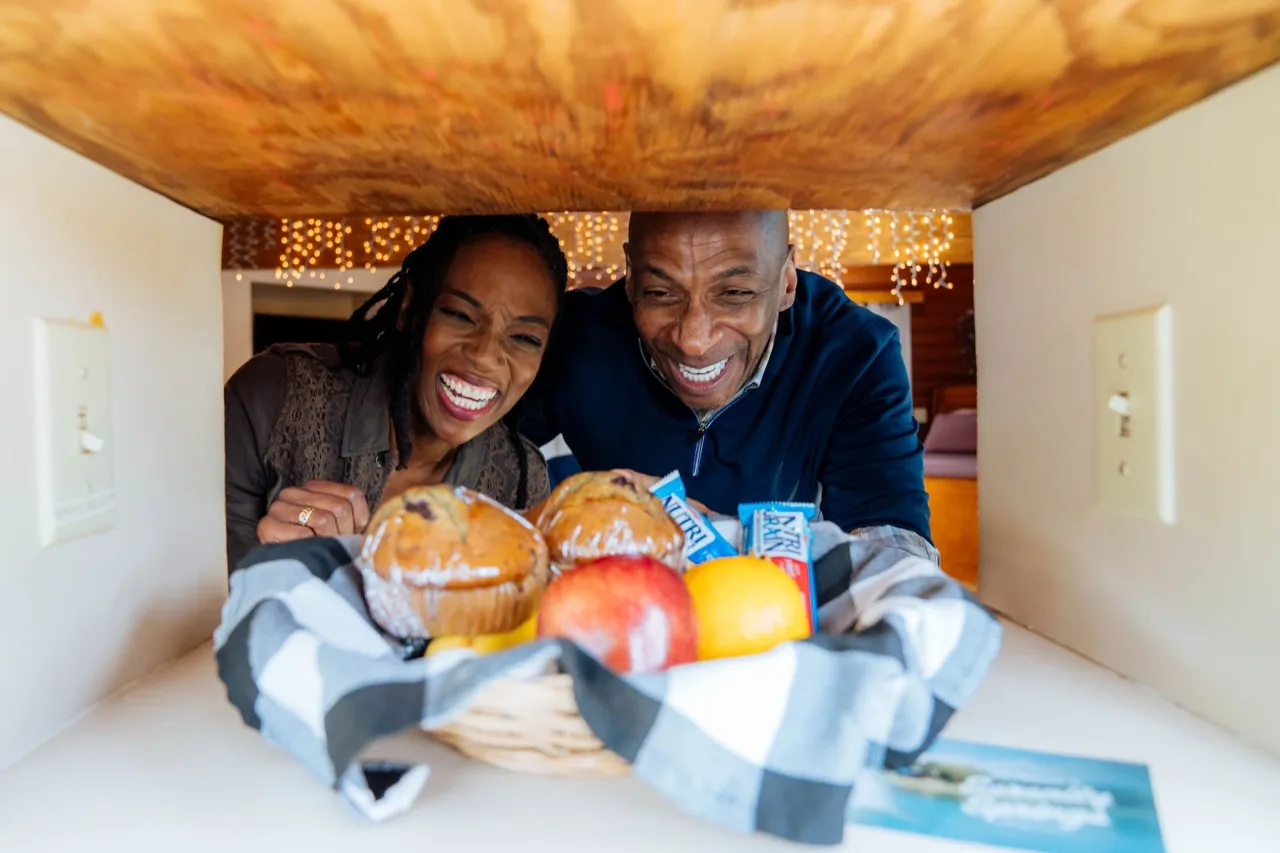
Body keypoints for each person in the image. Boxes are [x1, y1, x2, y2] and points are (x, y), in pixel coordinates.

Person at [521, 210, 932, 545]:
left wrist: (706, 533)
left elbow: (894, 552)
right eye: (660, 293)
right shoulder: (574, 337)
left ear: (787, 283)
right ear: (630, 277)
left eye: (735, 293)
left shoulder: (856, 353)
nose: (694, 341)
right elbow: (488, 449)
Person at [223, 214, 568, 572]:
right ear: (409, 307)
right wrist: (273, 565)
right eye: (460, 315)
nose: (484, 356)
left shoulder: (520, 481)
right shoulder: (275, 398)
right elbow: (203, 588)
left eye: (525, 338)